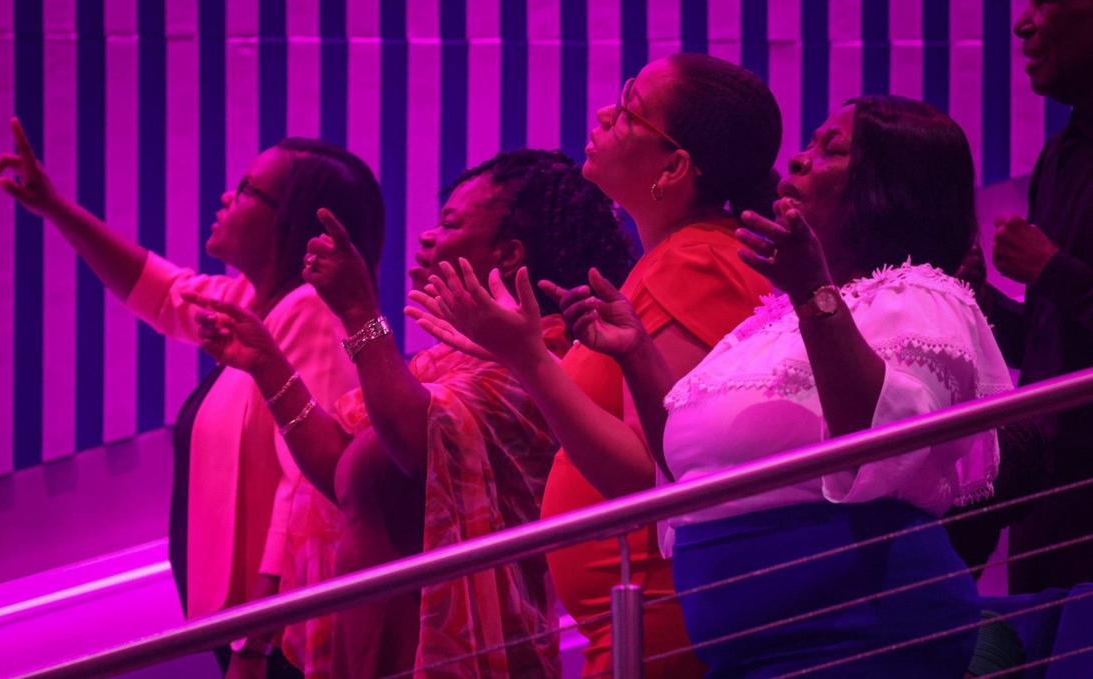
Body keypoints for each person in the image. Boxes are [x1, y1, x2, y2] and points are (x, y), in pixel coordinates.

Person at [423, 95, 1013, 676]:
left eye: (830, 151)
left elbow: (884, 441)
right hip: (742, 640)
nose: (800, 160)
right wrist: (637, 357)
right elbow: (682, 466)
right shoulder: (772, 312)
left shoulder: (912, 296)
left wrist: (365, 322)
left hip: (847, 629)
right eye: (807, 144)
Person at [188, 149, 636, 678]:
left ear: (510, 254)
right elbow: (342, 468)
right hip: (373, 639)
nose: (427, 236)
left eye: (449, 223)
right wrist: (266, 364)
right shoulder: (444, 363)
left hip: (445, 655)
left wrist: (359, 312)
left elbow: (415, 447)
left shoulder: (542, 364)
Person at [413, 53, 779, 677]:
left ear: (674, 167)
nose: (606, 112)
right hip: (633, 617)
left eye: (630, 107)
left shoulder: (692, 264)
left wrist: (523, 358)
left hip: (656, 619)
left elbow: (656, 468)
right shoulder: (673, 260)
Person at [0, 120, 384, 679]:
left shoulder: (309, 313)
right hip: (245, 624)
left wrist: (254, 642)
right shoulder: (254, 302)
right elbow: (163, 292)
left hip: (276, 636)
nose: (226, 197)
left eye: (246, 190)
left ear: (288, 221)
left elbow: (303, 491)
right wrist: (55, 207)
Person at [968, 0, 1093, 594]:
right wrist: (978, 297)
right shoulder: (1062, 153)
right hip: (1052, 485)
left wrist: (1050, 269)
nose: (1022, 23)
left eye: (1045, 2)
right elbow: (1052, 341)